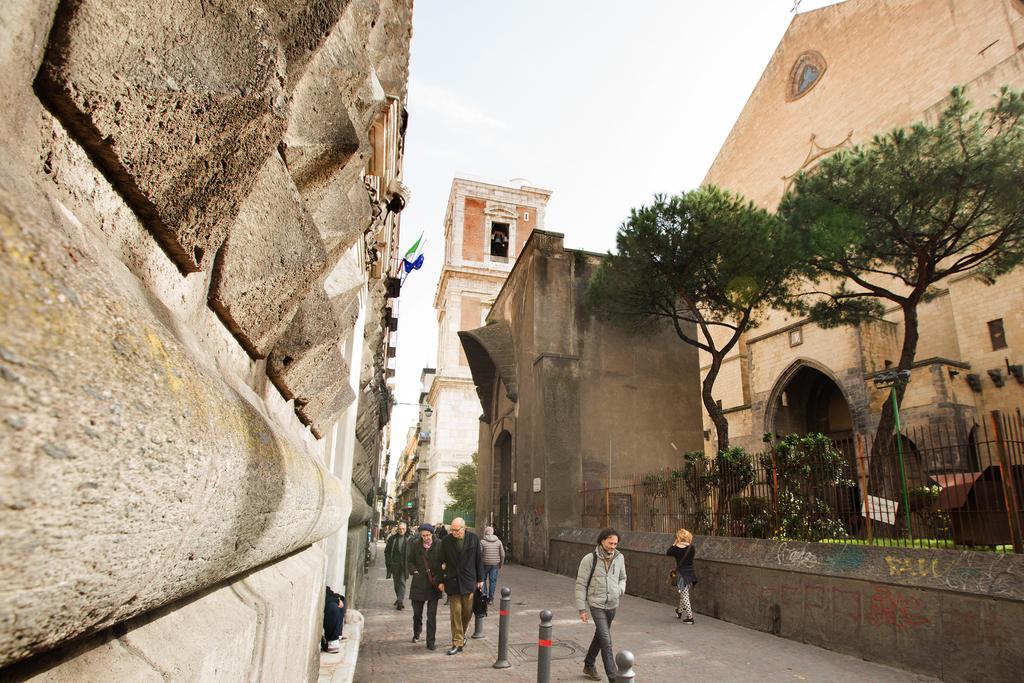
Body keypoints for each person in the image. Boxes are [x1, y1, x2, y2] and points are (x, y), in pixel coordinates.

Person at [575, 528, 626, 683]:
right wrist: (582, 608)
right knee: (606, 640)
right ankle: (614, 677)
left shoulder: (619, 557)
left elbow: (623, 577)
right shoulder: (589, 559)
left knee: (600, 636)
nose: (613, 546)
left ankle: (589, 665)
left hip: (612, 604)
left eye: (615, 543)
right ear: (602, 541)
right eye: (610, 543)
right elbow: (581, 584)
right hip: (596, 604)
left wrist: (619, 590)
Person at [436, 517, 484, 655]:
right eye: (452, 529)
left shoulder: (473, 539)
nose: (454, 532)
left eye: (457, 530)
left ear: (464, 529)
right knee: (456, 612)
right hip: (452, 581)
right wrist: (440, 581)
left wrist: (480, 578)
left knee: (467, 612)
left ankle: (461, 635)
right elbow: (440, 561)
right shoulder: (446, 541)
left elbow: (478, 559)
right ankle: (457, 642)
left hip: (469, 580)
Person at [406, 523, 443, 650]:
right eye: (423, 536)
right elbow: (410, 560)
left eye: (427, 535)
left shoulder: (440, 545)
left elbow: (444, 562)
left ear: (432, 534)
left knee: (431, 615)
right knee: (417, 613)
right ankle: (417, 632)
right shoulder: (416, 545)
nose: (426, 538)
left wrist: (440, 577)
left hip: (434, 583)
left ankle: (430, 641)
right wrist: (414, 571)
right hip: (419, 583)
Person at [666, 527, 697, 624]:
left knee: (685, 595)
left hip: (682, 574)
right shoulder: (692, 548)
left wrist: (674, 544)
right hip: (690, 573)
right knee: (684, 593)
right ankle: (679, 611)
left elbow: (668, 552)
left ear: (679, 537)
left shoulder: (675, 549)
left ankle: (690, 618)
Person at [384, 521, 413, 610]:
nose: (401, 530)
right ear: (397, 529)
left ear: (406, 529)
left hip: (404, 565)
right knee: (396, 583)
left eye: (403, 529)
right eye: (400, 529)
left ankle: (400, 601)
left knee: (402, 581)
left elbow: (413, 553)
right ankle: (398, 597)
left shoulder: (410, 539)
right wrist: (389, 561)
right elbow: (387, 551)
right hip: (394, 564)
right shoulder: (392, 538)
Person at [479, 526, 505, 603]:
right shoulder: (498, 542)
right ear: (493, 532)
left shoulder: (482, 542)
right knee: (493, 581)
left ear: (485, 532)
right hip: (495, 564)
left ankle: (484, 596)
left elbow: (479, 554)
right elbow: (502, 554)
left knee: (483, 579)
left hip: (484, 564)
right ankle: (491, 599)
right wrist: (501, 564)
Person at [321, 586, 346, 653]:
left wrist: (337, 598)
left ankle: (337, 636)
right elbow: (321, 597)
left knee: (341, 599)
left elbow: (326, 591)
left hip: (325, 594)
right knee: (333, 607)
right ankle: (332, 642)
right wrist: (336, 600)